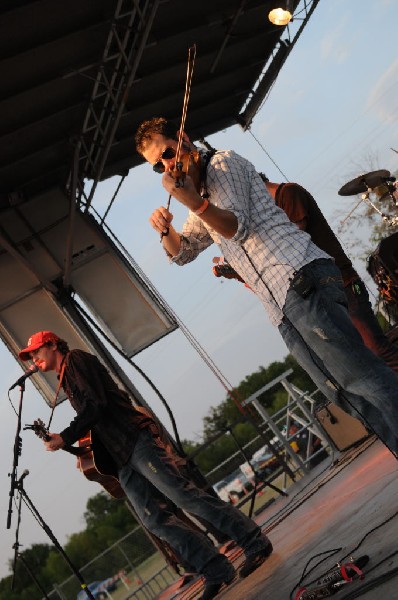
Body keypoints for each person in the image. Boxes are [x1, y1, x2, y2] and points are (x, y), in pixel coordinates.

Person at [135, 116, 398, 457]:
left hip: (301, 278)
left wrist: (193, 203)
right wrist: (164, 230)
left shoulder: (222, 163)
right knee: (342, 393)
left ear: (183, 138)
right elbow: (183, 253)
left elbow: (236, 227)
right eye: (158, 166)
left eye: (167, 153)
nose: (168, 165)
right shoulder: (198, 193)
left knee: (363, 378)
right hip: (282, 306)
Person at [19, 331, 273, 600]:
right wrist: (75, 447)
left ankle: (254, 541)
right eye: (30, 356)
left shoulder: (76, 360)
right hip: (122, 457)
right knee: (155, 520)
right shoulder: (66, 378)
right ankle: (215, 569)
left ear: (53, 345)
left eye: (36, 352)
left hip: (136, 440)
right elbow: (96, 418)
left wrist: (66, 436)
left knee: (185, 496)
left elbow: (96, 406)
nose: (33, 359)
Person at [259, 175, 398, 373]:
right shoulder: (279, 205)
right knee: (367, 357)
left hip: (343, 282)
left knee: (379, 350)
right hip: (329, 288)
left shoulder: (288, 193)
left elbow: (293, 240)